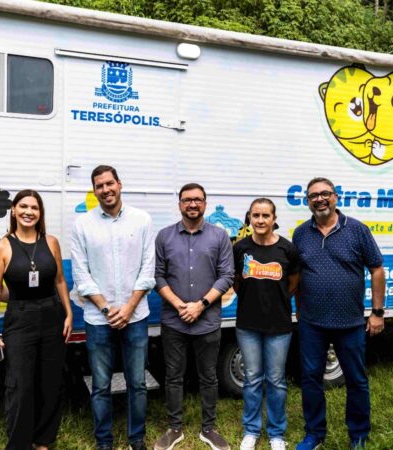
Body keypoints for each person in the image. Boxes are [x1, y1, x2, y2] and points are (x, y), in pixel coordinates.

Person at [292, 177, 385, 450]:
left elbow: (377, 269)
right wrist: (299, 310)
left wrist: (377, 313)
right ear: (307, 201)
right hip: (312, 323)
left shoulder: (357, 230)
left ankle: (358, 435)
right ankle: (314, 434)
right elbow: (297, 274)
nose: (319, 199)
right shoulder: (301, 234)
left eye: (325, 194)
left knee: (356, 379)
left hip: (351, 322)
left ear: (335, 197)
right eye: (313, 196)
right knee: (311, 379)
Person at [70, 165, 155, 450]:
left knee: (137, 383)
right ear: (94, 191)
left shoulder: (142, 220)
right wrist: (107, 309)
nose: (105, 189)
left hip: (136, 316)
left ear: (119, 184)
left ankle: (137, 438)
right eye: (99, 186)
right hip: (98, 318)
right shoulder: (82, 224)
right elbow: (81, 275)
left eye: (109, 183)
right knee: (100, 385)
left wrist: (128, 308)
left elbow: (148, 269)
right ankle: (103, 441)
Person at [0, 189, 74, 450]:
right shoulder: (2, 247)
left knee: (50, 381)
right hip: (19, 318)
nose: (28, 212)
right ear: (14, 210)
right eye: (23, 206)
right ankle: (19, 443)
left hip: (52, 315)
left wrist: (68, 313)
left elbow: (60, 280)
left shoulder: (51, 242)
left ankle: (43, 440)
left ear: (40, 213)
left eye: (34, 208)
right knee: (20, 384)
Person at [153, 183, 234, 450]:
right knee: (173, 376)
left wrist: (200, 305)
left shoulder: (220, 236)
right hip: (174, 321)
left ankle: (209, 429)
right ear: (179, 204)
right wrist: (180, 306)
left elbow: (226, 275)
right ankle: (174, 428)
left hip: (207, 321)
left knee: (208, 377)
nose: (192, 204)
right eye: (187, 200)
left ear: (205, 204)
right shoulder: (164, 236)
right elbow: (158, 276)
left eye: (198, 200)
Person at [233, 198, 300, 450]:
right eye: (256, 216)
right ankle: (251, 430)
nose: (260, 220)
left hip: (279, 325)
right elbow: (237, 282)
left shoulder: (287, 249)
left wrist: (277, 300)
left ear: (274, 219)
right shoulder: (240, 248)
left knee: (276, 380)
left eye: (265, 216)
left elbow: (293, 282)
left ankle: (276, 433)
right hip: (247, 324)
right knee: (252, 379)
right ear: (250, 218)